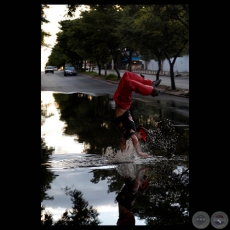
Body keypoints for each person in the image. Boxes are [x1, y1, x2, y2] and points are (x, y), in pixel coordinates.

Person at [113, 71, 161, 158]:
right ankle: (151, 89)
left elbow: (123, 143)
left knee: (127, 75)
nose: (139, 140)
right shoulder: (132, 128)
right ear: (140, 133)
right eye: (141, 138)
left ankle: (150, 83)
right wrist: (139, 153)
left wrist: (122, 158)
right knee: (129, 82)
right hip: (123, 103)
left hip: (120, 101)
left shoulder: (127, 132)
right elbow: (134, 138)